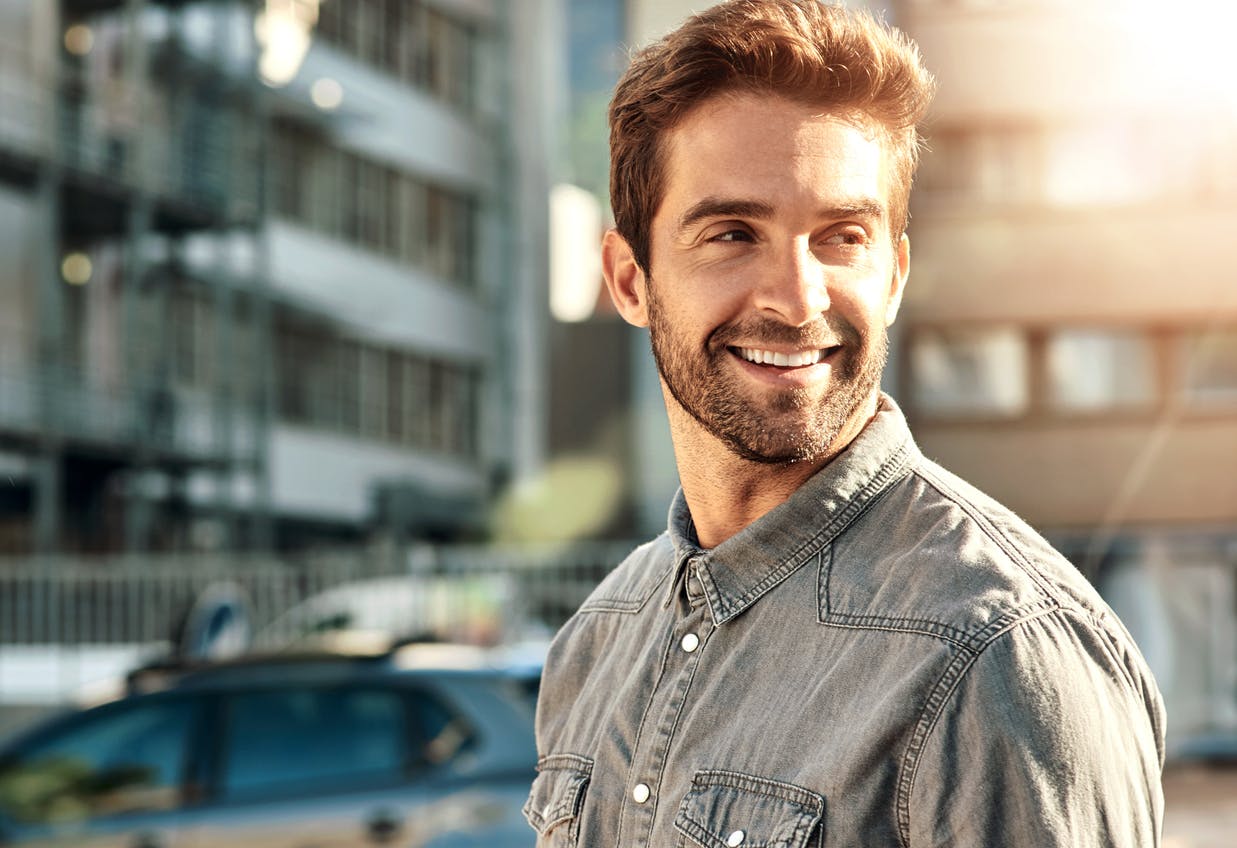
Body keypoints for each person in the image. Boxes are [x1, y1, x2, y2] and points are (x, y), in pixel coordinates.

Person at [525, 2, 1166, 846]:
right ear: (629, 278)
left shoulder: (999, 657)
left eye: (840, 237)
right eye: (730, 233)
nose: (796, 299)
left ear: (894, 273)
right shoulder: (596, 642)